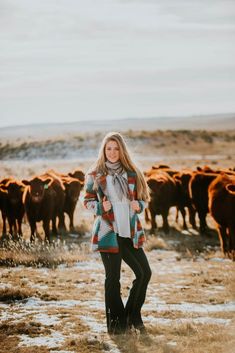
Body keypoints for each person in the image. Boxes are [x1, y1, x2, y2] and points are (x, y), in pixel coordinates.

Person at [83, 132, 151, 335]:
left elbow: (144, 199)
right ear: (104, 151)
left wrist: (137, 205)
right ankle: (117, 324)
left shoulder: (132, 173)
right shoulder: (95, 174)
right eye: (108, 148)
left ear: (122, 150)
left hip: (129, 232)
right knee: (112, 279)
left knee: (144, 273)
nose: (112, 152)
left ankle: (133, 314)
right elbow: (87, 201)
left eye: (116, 148)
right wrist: (101, 207)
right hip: (108, 233)